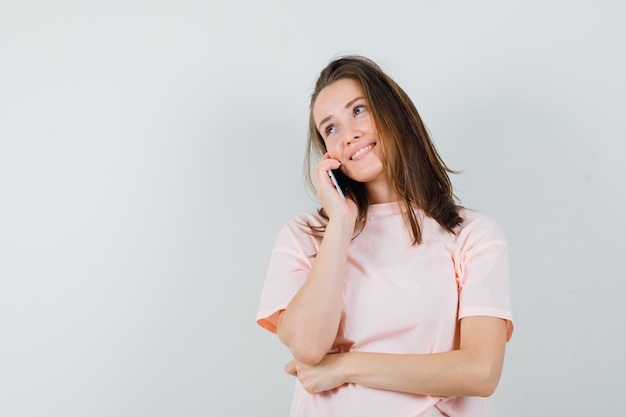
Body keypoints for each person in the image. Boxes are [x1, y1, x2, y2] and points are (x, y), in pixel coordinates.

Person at [256, 55, 513, 417]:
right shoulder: (304, 236)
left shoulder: (472, 235)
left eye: (358, 111)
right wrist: (341, 224)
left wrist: (343, 367)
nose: (349, 134)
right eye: (330, 129)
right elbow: (308, 347)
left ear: (393, 110)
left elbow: (481, 371)